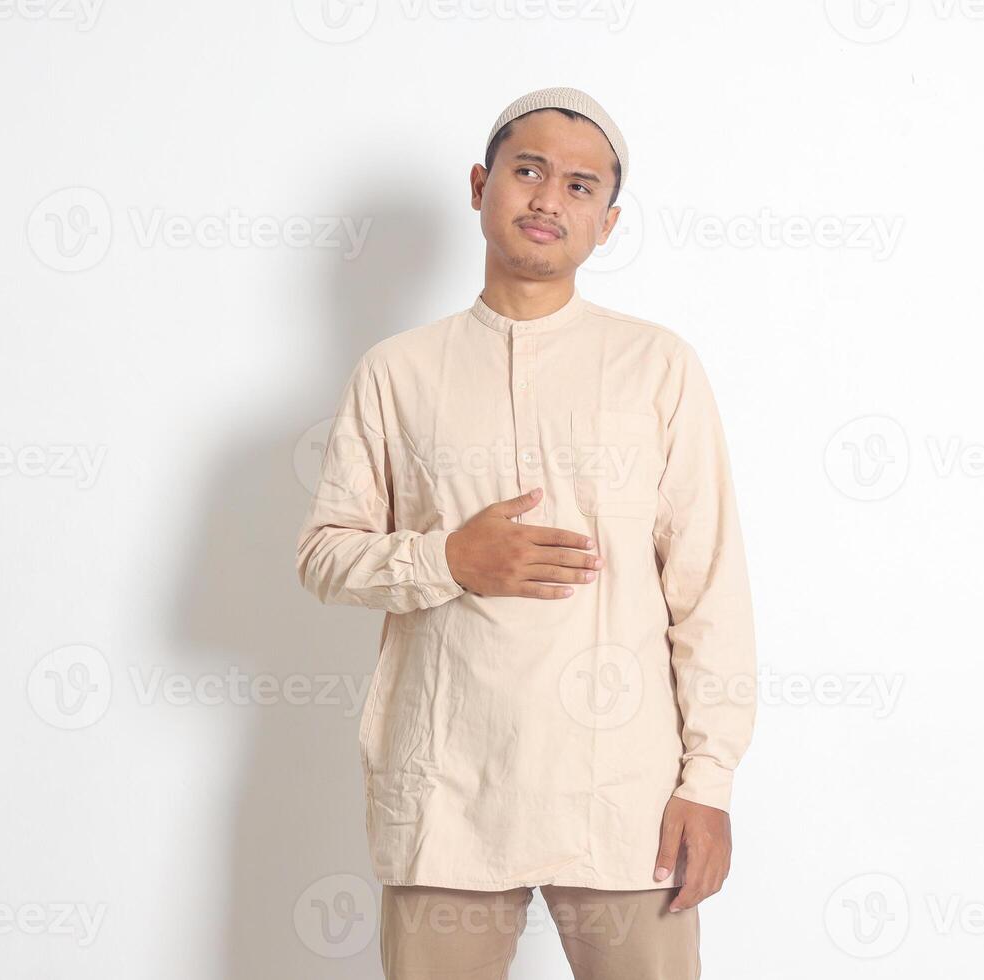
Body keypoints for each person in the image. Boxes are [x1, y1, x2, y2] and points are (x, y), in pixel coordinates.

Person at [295, 86, 756, 979]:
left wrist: (709, 784)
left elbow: (709, 586)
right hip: (444, 793)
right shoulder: (398, 372)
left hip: (625, 796)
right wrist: (446, 558)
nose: (549, 199)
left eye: (582, 187)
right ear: (480, 185)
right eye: (529, 170)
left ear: (608, 224)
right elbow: (323, 554)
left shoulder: (657, 366)